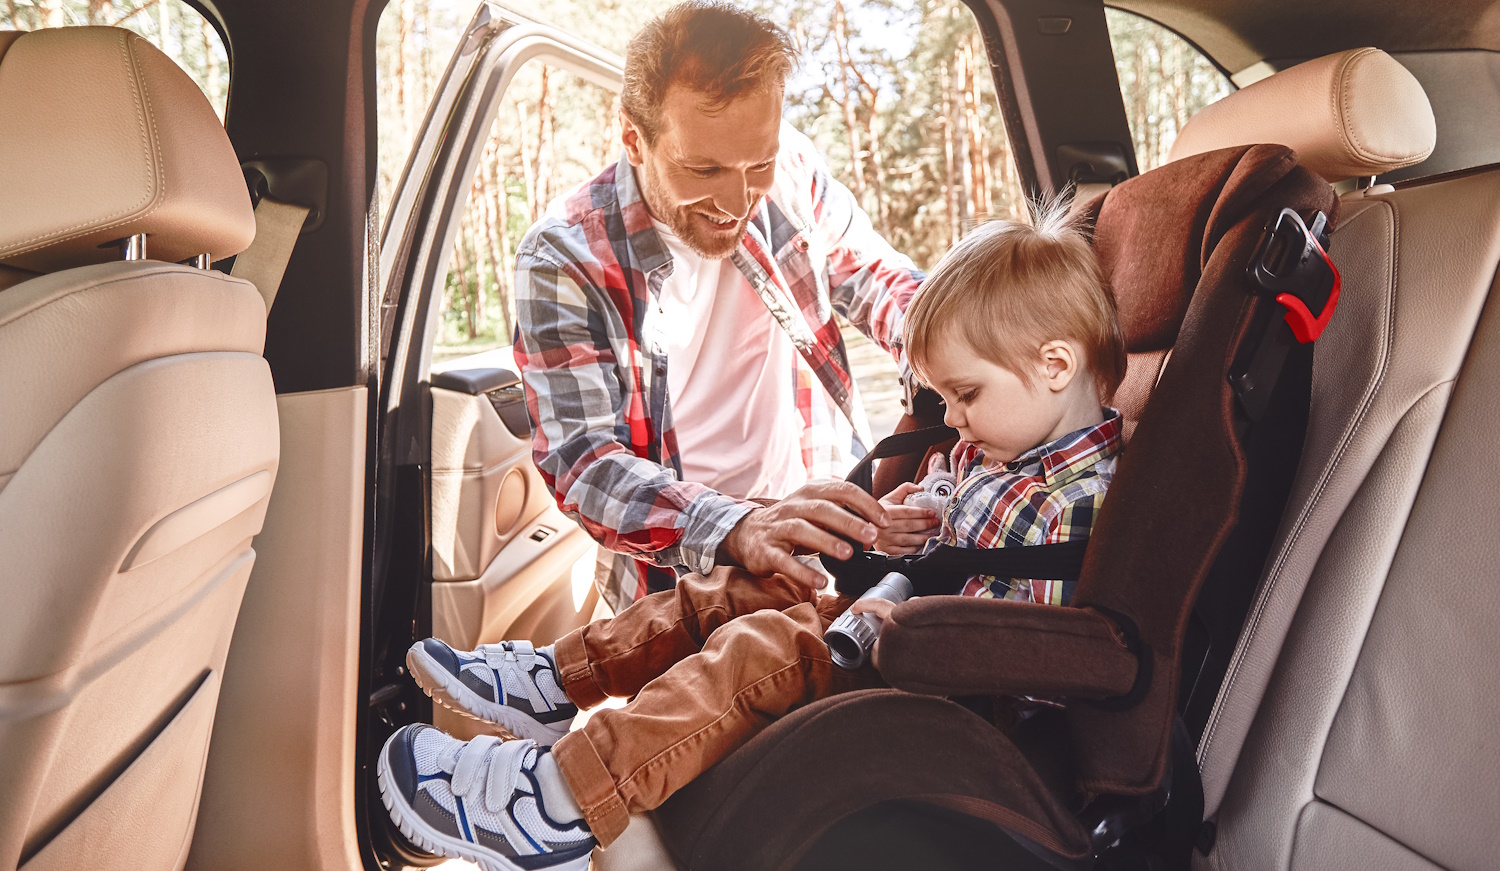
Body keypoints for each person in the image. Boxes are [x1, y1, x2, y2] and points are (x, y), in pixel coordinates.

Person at [376, 204, 1129, 870]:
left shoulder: (1071, 503)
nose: (954, 417)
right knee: (741, 590)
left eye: (965, 395)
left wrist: (904, 616)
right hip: (896, 615)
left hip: (955, 680)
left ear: (1056, 364)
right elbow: (963, 510)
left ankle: (557, 802)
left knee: (759, 650)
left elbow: (1024, 644)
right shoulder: (1006, 443)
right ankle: (560, 678)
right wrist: (913, 511)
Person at [512, 1, 933, 612]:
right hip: (677, 574)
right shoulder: (562, 257)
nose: (738, 200)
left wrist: (957, 349)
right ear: (633, 136)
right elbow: (583, 462)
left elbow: (879, 280)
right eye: (702, 167)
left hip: (824, 538)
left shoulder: (791, 171)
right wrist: (737, 527)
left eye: (756, 162)